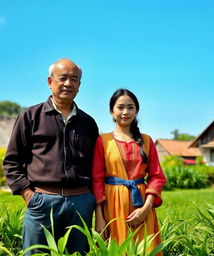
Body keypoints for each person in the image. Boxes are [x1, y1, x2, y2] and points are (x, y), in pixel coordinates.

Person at [3, 58, 99, 255]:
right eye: (63, 78)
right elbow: (12, 162)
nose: (68, 83)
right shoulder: (30, 117)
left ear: (79, 85)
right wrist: (28, 195)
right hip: (42, 202)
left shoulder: (88, 123)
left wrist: (91, 199)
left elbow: (96, 165)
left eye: (74, 79)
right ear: (50, 81)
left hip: (80, 203)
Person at [92, 88, 166, 255]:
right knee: (117, 249)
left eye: (130, 107)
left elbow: (156, 176)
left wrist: (146, 208)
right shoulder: (103, 141)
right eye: (120, 107)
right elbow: (97, 180)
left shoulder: (146, 141)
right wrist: (100, 218)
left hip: (142, 205)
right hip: (112, 207)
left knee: (145, 249)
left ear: (136, 111)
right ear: (112, 111)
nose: (125, 112)